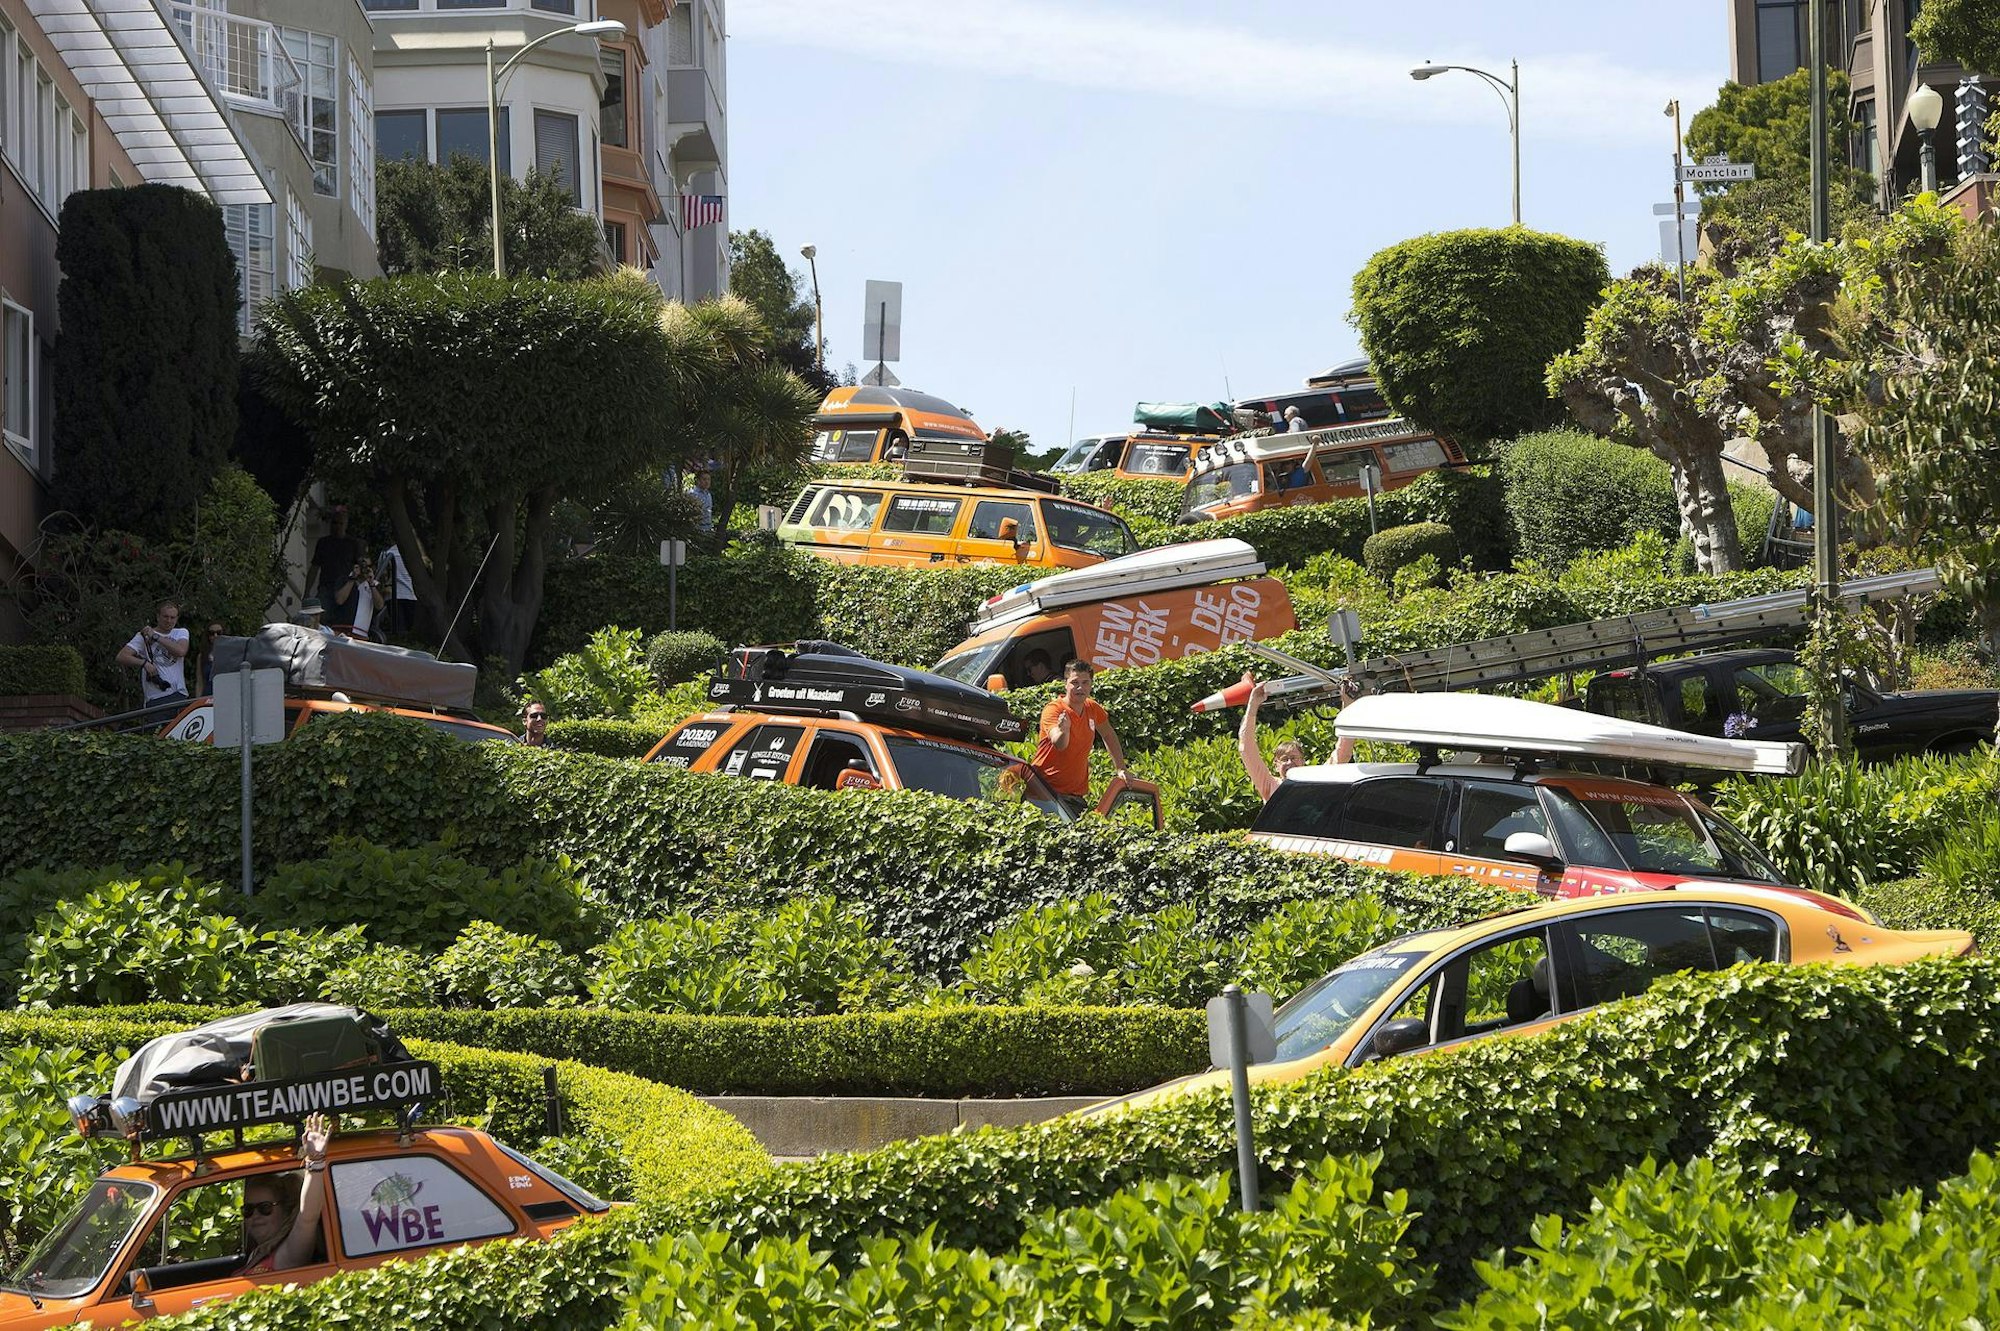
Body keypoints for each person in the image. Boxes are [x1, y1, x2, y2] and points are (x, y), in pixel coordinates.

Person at [1030, 659, 1130, 817]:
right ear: (1065, 684)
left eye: (1085, 683)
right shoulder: (1054, 709)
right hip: (1045, 793)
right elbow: (1059, 744)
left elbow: (1108, 734)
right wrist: (1064, 730)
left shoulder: (1092, 708)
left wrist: (1121, 768)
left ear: (1091, 685)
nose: (1080, 688)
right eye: (1074, 682)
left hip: (1075, 797)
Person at [1238, 672, 1358, 801]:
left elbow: (1342, 753)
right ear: (1276, 765)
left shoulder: (1316, 781)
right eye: (1284, 759)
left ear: (1303, 761)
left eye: (1294, 758)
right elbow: (1246, 749)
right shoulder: (1270, 785)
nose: (1290, 763)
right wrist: (1253, 704)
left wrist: (1347, 702)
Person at [241, 1112, 331, 1275]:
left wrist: (315, 1161)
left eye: (265, 1208)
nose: (255, 1216)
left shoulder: (288, 1254)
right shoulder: (259, 1252)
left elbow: (308, 1218)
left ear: (285, 1210)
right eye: (248, 1210)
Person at [118, 600, 191, 706]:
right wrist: (144, 664)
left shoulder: (181, 632)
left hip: (179, 693)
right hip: (156, 696)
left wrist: (156, 637)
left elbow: (181, 651)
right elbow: (122, 656)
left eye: (172, 617)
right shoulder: (144, 635)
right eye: (165, 617)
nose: (169, 621)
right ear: (158, 616)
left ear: (177, 618)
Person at [305, 506, 360, 621]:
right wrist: (307, 591)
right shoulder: (323, 543)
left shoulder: (352, 544)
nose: (337, 526)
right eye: (335, 523)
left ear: (345, 525)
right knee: (322, 619)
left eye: (341, 523)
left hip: (345, 588)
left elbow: (359, 566)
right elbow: (314, 567)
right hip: (326, 586)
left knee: (345, 621)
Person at [333, 555, 383, 641]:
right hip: (341, 630)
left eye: (368, 566)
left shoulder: (374, 585)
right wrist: (353, 578)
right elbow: (340, 600)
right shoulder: (344, 580)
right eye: (362, 566)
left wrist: (371, 584)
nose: (364, 569)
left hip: (361, 633)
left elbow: (379, 606)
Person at [375, 543, 416, 638]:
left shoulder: (387, 553)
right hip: (411, 595)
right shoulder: (414, 553)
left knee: (399, 629)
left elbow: (382, 575)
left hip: (393, 595)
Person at [691, 470, 715, 535]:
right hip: (697, 530)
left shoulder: (708, 494)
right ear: (698, 480)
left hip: (708, 529)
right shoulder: (693, 494)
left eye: (709, 479)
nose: (707, 482)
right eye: (704, 479)